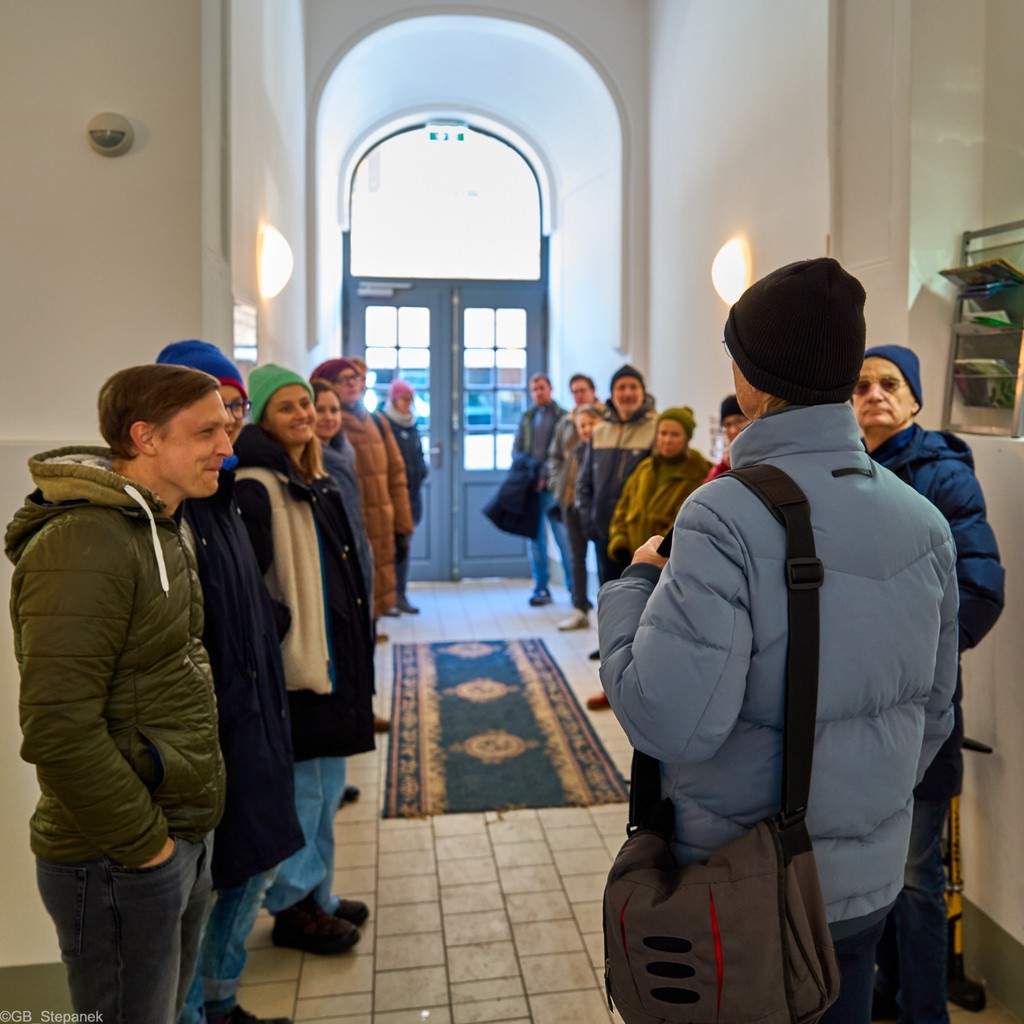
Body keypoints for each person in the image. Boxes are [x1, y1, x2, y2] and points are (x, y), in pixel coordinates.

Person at [596, 258, 959, 1024]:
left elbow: (668, 720)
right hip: (864, 886)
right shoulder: (921, 519)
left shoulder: (722, 514)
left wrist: (630, 588)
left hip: (751, 888)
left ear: (755, 376)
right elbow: (933, 711)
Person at [6, 364, 229, 1023]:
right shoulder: (84, 544)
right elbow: (58, 728)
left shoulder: (157, 525)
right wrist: (146, 847)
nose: (227, 445)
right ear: (146, 438)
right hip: (118, 857)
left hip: (172, 834)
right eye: (208, 431)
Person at [852, 344, 1005, 1024]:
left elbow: (979, 590)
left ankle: (924, 1012)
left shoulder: (944, 477)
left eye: (889, 383)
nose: (874, 394)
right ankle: (884, 990)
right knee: (869, 872)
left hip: (920, 712)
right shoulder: (842, 473)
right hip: (852, 714)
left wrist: (914, 666)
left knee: (916, 879)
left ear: (914, 400)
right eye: (859, 385)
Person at [156, 341, 303, 1024]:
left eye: (234, 411)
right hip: (212, 737)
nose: (227, 430)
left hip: (255, 720)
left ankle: (222, 1001)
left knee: (248, 873)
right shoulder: (173, 514)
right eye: (211, 418)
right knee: (205, 890)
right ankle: (194, 1010)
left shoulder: (225, 500)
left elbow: (242, 606)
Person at [233, 365, 375, 956]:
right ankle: (294, 905)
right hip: (296, 667)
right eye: (287, 407)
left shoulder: (309, 475)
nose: (304, 415)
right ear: (264, 417)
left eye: (305, 405)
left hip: (329, 661)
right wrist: (283, 633)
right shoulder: (255, 484)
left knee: (327, 783)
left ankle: (319, 892)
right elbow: (252, 588)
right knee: (304, 794)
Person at [311, 358, 413, 630]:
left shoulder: (378, 422)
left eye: (356, 377)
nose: (354, 383)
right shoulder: (325, 426)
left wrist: (402, 527)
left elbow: (396, 476)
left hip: (380, 525)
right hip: (348, 530)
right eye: (345, 379)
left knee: (373, 601)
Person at [576, 363, 658, 665]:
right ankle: (609, 644)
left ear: (642, 392)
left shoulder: (655, 429)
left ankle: (639, 652)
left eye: (632, 387)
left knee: (640, 594)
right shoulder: (600, 431)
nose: (627, 393)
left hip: (639, 535)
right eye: (621, 388)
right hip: (603, 530)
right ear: (611, 394)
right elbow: (584, 481)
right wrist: (588, 520)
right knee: (608, 591)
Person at [606, 407, 711, 563]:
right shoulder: (645, 468)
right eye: (663, 433)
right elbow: (623, 507)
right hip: (630, 559)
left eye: (675, 434)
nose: (667, 440)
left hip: (667, 564)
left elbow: (682, 525)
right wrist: (620, 541)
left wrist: (656, 555)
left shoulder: (699, 474)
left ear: (686, 438)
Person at [547, 375, 603, 630]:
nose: (578, 395)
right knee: (576, 556)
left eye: (582, 390)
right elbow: (555, 456)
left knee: (603, 557)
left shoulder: (608, 422)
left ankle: (608, 611)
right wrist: (557, 485)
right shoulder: (566, 424)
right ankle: (579, 607)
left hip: (597, 503)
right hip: (570, 501)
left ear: (593, 391)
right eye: (574, 392)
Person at [513, 372, 569, 606]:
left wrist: (546, 475)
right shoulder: (527, 417)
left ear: (551, 389)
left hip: (554, 488)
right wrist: (531, 468)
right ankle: (541, 588)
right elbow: (517, 450)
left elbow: (565, 453)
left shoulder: (563, 417)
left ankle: (575, 590)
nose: (538, 392)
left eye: (542, 388)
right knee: (535, 541)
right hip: (531, 487)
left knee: (562, 538)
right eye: (534, 389)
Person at [381, 378, 429, 614]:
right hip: (390, 498)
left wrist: (421, 471)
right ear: (394, 399)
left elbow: (418, 457)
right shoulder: (383, 425)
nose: (408, 404)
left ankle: (401, 594)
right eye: (404, 399)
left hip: (411, 497)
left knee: (404, 547)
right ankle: (388, 597)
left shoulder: (412, 426)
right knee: (389, 548)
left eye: (411, 399)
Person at [704, 393, 751, 482]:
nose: (733, 430)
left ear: (751, 419)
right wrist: (724, 466)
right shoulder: (726, 460)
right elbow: (706, 491)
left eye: (739, 421)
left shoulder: (764, 452)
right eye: (727, 424)